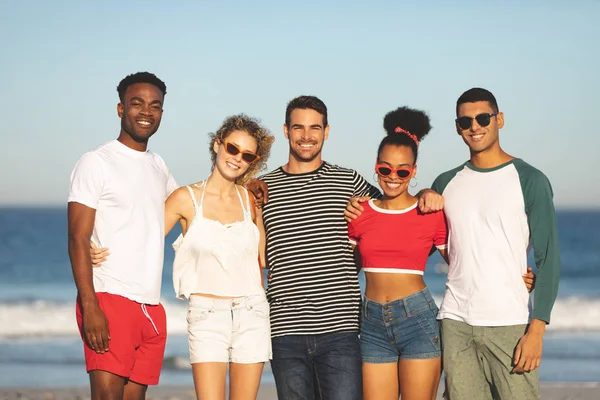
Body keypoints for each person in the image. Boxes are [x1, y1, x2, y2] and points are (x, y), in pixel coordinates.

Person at [253, 96, 444, 400]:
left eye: (315, 127)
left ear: (326, 131)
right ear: (286, 130)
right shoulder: (263, 188)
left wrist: (426, 192)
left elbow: (395, 203)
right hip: (285, 332)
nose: (306, 135)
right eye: (298, 127)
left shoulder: (349, 182)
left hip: (342, 331)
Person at [92, 115, 275, 400]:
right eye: (232, 148)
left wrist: (260, 211)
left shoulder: (249, 199)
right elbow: (144, 241)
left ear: (254, 161)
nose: (237, 158)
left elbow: (261, 259)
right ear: (217, 145)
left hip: (252, 312)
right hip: (207, 315)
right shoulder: (184, 198)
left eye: (247, 155)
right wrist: (96, 242)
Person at [431, 88, 560, 399]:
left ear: (499, 120)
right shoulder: (445, 183)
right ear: (457, 127)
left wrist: (537, 330)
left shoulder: (530, 179)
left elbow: (548, 258)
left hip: (510, 324)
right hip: (456, 322)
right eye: (465, 121)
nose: (475, 126)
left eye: (483, 118)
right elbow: (444, 246)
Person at [67, 72, 177, 399]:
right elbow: (76, 237)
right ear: (120, 109)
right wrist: (90, 306)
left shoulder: (158, 166)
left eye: (155, 105)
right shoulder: (96, 162)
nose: (146, 111)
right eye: (137, 103)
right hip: (108, 299)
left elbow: (193, 205)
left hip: (151, 305)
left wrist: (247, 185)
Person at [347, 107, 448, 400]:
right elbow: (345, 270)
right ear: (376, 166)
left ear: (413, 171)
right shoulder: (359, 212)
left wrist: (513, 275)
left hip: (417, 318)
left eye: (402, 170)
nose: (393, 176)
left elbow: (462, 264)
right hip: (372, 321)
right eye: (385, 169)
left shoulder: (429, 211)